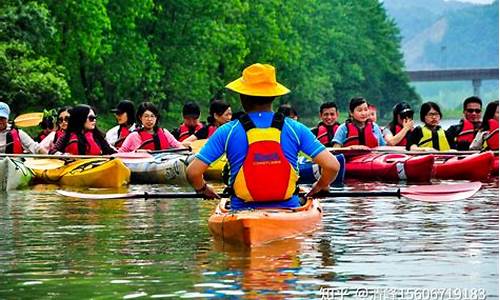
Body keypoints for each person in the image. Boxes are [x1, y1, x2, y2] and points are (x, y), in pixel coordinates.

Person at [186, 63, 340, 209]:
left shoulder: (227, 131)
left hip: (241, 211)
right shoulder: (295, 128)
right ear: (273, 96)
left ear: (242, 96)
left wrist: (202, 188)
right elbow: (332, 166)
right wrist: (321, 185)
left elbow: (193, 172)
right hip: (288, 209)